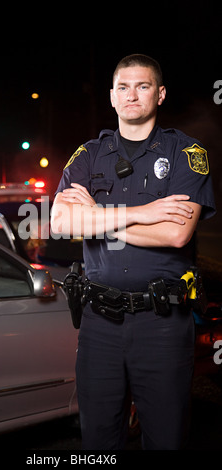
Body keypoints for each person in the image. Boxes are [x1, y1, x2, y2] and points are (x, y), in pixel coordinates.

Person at [51, 54, 216, 450]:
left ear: (160, 95)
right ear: (111, 96)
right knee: (98, 441)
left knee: (166, 439)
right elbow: (60, 223)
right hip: (97, 326)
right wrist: (143, 214)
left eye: (142, 86)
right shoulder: (89, 154)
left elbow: (176, 234)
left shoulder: (186, 153)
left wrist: (96, 216)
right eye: (123, 87)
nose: (131, 95)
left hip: (161, 324)